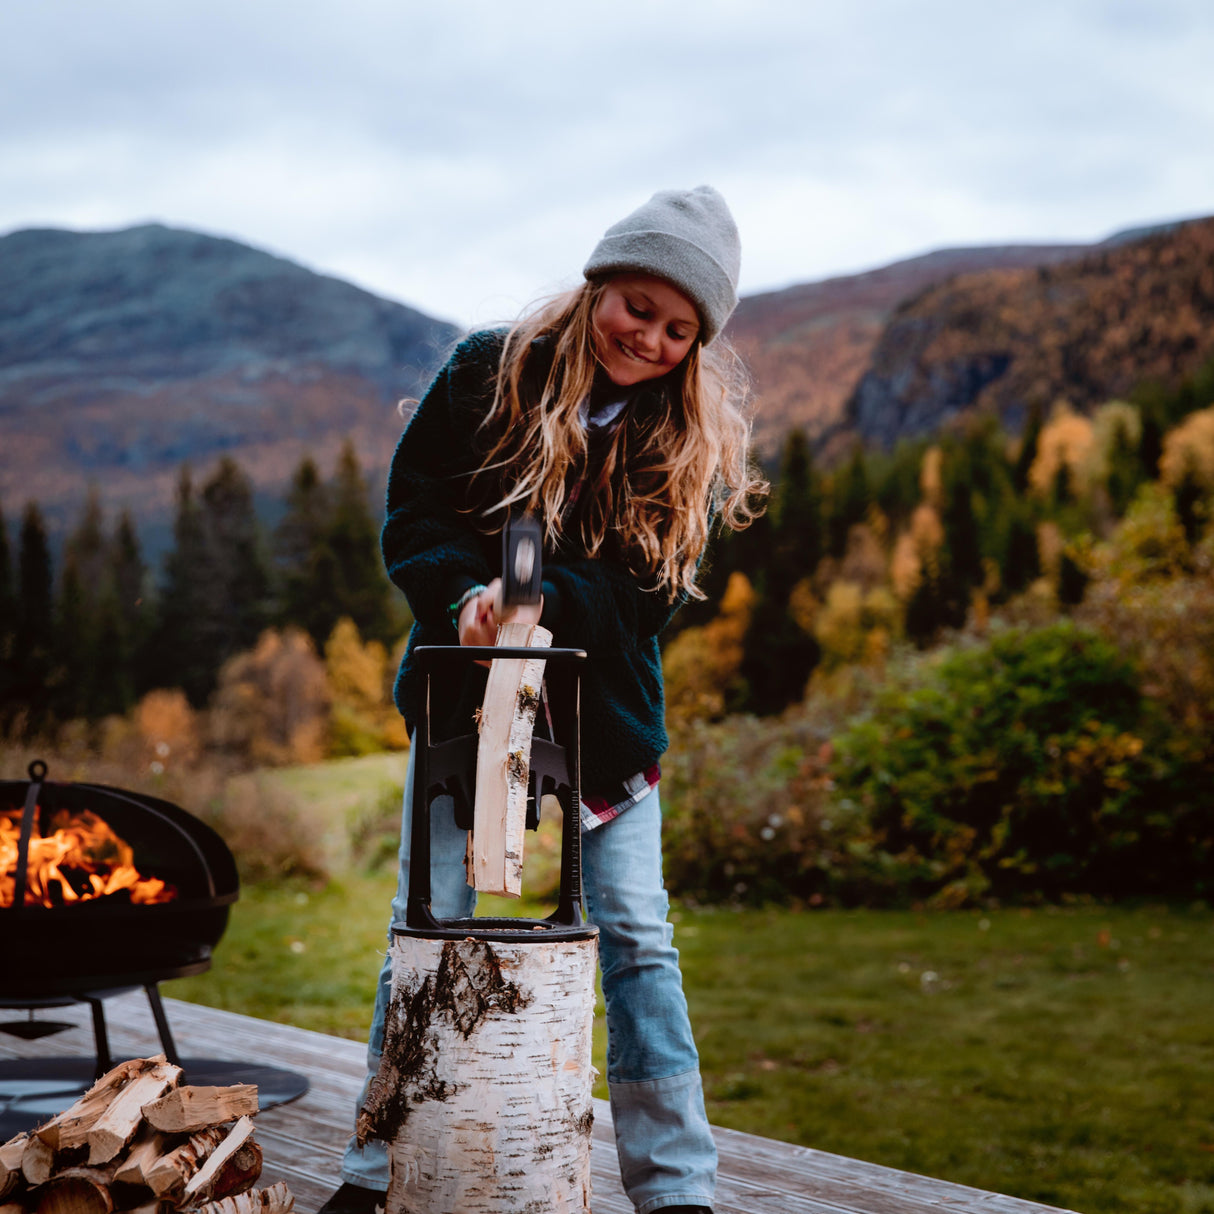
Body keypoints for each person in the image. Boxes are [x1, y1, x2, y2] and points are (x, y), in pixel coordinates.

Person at [321, 186, 765, 1214]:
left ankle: (676, 1186)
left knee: (636, 936)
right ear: (600, 280)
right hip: (461, 701)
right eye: (637, 305)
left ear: (695, 344)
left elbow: (645, 596)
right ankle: (373, 1168)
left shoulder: (678, 437)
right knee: (425, 925)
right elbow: (415, 513)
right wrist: (461, 599)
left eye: (676, 328)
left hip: (601, 722)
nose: (647, 337)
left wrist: (539, 598)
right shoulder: (487, 371)